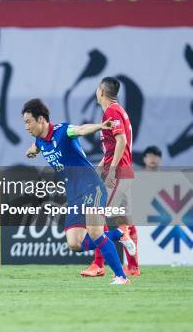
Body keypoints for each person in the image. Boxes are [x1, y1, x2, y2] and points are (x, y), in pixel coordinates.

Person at [23, 98, 135, 285]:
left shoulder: (63, 131)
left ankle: (121, 277)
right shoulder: (39, 141)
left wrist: (100, 126)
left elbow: (81, 129)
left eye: (28, 122)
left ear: (41, 119)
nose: (26, 127)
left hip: (92, 187)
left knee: (95, 233)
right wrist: (30, 152)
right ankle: (118, 235)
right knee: (75, 244)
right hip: (74, 195)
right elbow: (35, 147)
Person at [80, 77, 139, 278]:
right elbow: (115, 145)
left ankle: (101, 262)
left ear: (102, 92)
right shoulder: (119, 110)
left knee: (97, 216)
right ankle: (132, 264)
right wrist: (102, 165)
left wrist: (112, 170)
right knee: (120, 216)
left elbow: (121, 141)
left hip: (119, 171)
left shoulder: (112, 111)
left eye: (97, 89)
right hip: (122, 169)